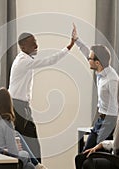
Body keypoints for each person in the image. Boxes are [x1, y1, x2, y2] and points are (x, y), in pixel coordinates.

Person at [8, 30, 75, 162]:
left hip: (21, 106)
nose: (37, 46)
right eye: (33, 44)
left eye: (36, 43)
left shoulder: (25, 59)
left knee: (30, 145)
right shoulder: (23, 61)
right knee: (32, 146)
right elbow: (49, 61)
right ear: (23, 47)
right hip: (18, 106)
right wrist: (69, 46)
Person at [72, 24, 119, 151]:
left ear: (97, 63)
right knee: (84, 154)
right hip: (101, 119)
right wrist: (77, 40)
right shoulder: (100, 69)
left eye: (90, 59)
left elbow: (118, 103)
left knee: (93, 154)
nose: (88, 59)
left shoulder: (112, 80)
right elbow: (87, 52)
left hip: (110, 121)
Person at [0, 87, 47, 169]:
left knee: (29, 166)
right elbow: (13, 152)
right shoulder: (6, 122)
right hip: (4, 159)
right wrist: (16, 148)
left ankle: (37, 166)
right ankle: (38, 166)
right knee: (25, 155)